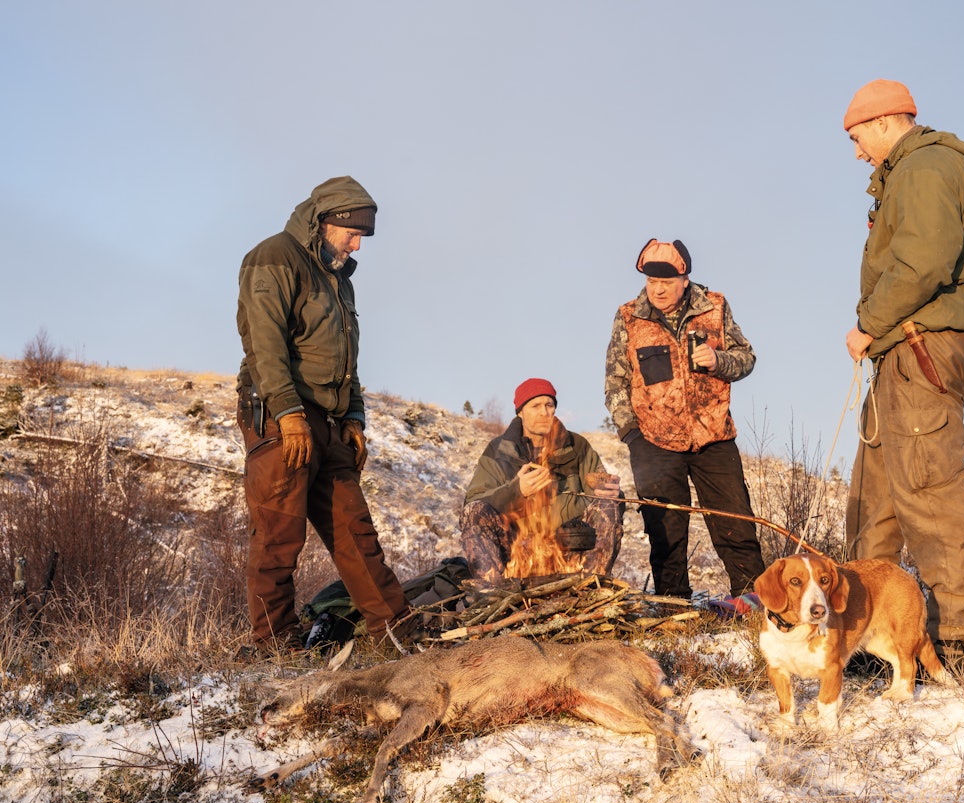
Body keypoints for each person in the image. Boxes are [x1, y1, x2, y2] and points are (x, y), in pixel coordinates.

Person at [840, 79, 964, 674]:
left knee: (929, 488)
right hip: (900, 347)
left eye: (857, 137)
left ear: (884, 122)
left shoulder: (927, 167)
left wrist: (868, 324)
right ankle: (866, 631)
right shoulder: (908, 171)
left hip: (918, 340)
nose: (857, 152)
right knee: (874, 495)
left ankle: (958, 640)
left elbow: (923, 262)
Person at [235, 176, 422, 657]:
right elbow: (264, 343)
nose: (357, 244)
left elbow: (346, 358)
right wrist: (289, 414)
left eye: (363, 236)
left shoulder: (338, 277)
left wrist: (355, 416)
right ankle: (273, 649)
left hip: (331, 424)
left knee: (356, 533)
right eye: (351, 233)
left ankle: (397, 637)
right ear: (323, 222)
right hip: (282, 419)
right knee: (279, 537)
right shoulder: (273, 257)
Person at [605, 238, 765, 603]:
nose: (658, 289)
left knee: (737, 525)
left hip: (714, 437)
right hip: (654, 442)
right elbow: (615, 381)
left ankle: (756, 604)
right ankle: (673, 609)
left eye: (666, 282)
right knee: (665, 535)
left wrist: (718, 360)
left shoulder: (714, 307)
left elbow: (747, 358)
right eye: (651, 281)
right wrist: (632, 435)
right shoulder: (630, 316)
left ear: (684, 278)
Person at [461, 378, 624, 590]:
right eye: (535, 406)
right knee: (474, 511)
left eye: (549, 405)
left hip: (568, 550)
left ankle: (591, 588)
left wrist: (613, 494)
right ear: (520, 412)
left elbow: (603, 495)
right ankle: (493, 594)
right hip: (516, 553)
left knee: (608, 505)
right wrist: (516, 491)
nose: (544, 412)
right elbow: (474, 503)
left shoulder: (578, 447)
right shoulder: (498, 450)